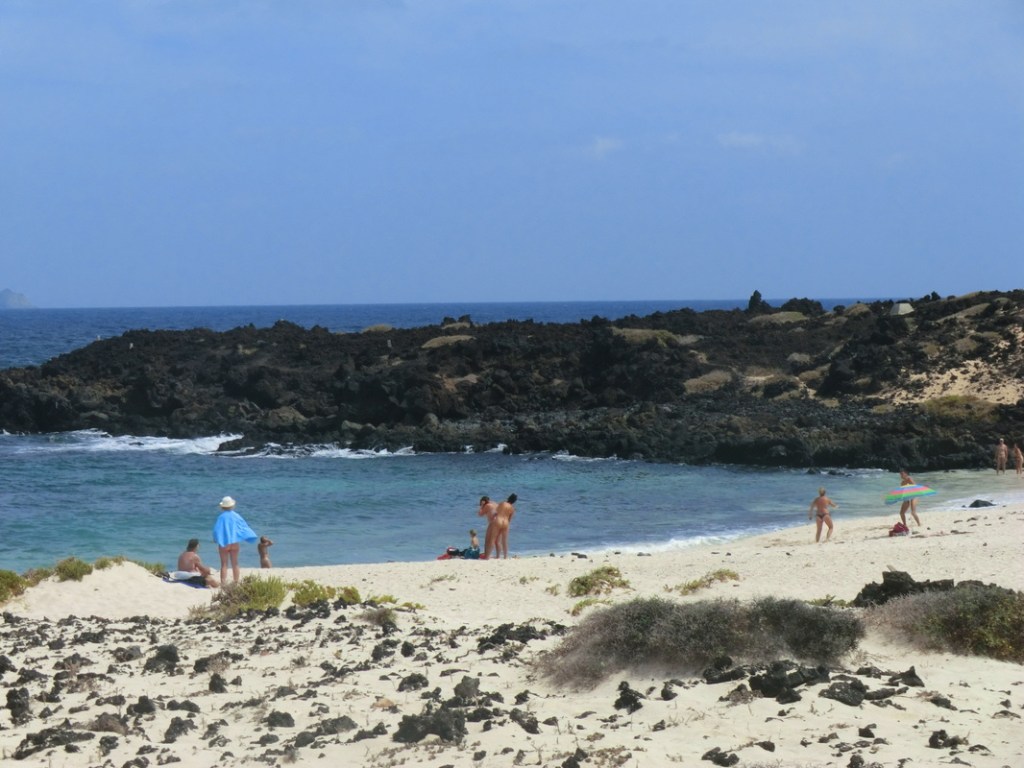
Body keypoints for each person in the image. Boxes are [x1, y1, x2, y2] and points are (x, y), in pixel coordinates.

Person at [213, 496, 259, 586]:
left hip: (224, 543)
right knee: (235, 563)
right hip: (234, 542)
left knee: (224, 564)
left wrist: (216, 539)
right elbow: (243, 527)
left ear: (222, 507)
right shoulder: (236, 516)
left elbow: (216, 530)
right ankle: (236, 582)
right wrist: (248, 536)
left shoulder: (221, 517)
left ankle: (223, 584)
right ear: (232, 506)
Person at [493, 493, 517, 559]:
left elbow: (496, 513)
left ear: (508, 498)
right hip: (506, 522)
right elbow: (509, 519)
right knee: (504, 541)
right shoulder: (512, 509)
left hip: (499, 521)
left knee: (497, 540)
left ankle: (498, 556)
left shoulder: (502, 503)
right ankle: (505, 556)